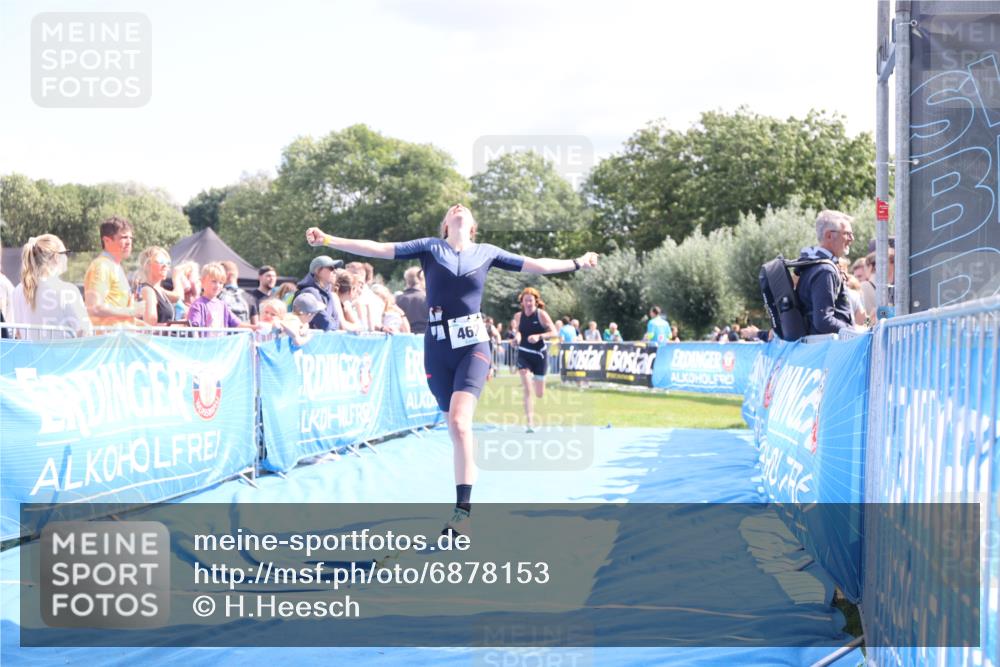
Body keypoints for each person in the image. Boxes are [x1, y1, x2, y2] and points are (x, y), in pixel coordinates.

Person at [306, 203, 598, 535]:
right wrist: (328, 239)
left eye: (464, 209)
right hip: (437, 348)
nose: (458, 208)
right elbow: (379, 249)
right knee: (454, 428)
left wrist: (578, 261)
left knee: (460, 424)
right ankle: (468, 473)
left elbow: (540, 265)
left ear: (472, 226)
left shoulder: (487, 252)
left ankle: (462, 511)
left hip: (473, 346)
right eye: (451, 209)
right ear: (446, 224)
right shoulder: (430, 247)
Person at [795, 210, 865, 335]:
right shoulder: (825, 270)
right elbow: (823, 321)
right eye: (847, 234)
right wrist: (853, 330)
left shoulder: (814, 265)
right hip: (826, 348)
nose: (852, 239)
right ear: (829, 236)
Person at [11, 234, 92, 339]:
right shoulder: (67, 291)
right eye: (66, 253)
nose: (67, 257)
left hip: (32, 355)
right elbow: (85, 332)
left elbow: (19, 334)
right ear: (57, 257)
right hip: (65, 355)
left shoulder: (18, 290)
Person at [512, 287, 559, 432]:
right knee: (527, 389)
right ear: (522, 302)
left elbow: (554, 332)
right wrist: (517, 338)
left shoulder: (541, 315)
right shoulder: (518, 316)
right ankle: (530, 423)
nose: (528, 303)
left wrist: (539, 336)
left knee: (539, 393)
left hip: (539, 355)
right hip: (524, 354)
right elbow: (519, 331)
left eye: (530, 300)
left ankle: (533, 380)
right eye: (525, 301)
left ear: (536, 302)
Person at [84, 216, 141, 327]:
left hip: (119, 340)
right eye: (124, 237)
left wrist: (148, 329)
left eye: (131, 238)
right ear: (106, 240)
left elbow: (122, 315)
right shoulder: (101, 266)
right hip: (108, 341)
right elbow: (94, 308)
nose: (129, 242)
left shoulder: (115, 266)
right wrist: (132, 311)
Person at [186, 262, 258, 332]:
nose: (218, 286)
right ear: (202, 282)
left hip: (222, 343)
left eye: (221, 283)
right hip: (205, 344)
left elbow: (237, 324)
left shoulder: (223, 305)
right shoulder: (198, 305)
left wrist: (257, 328)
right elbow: (193, 330)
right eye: (214, 281)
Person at [295, 255, 344, 331]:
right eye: (331, 268)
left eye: (336, 268)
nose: (335, 271)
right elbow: (325, 324)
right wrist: (333, 325)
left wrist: (333, 325)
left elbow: (337, 322)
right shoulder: (310, 292)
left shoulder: (328, 292)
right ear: (318, 270)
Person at [136, 246, 175, 325]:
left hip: (165, 337)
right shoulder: (148, 291)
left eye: (168, 263)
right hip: (155, 337)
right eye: (161, 261)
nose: (165, 266)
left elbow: (178, 296)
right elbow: (150, 327)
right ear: (147, 265)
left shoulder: (160, 291)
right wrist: (176, 326)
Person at [396, 266, 428, 334]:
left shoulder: (397, 299)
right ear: (422, 279)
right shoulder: (428, 298)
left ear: (407, 280)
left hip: (405, 339)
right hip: (426, 338)